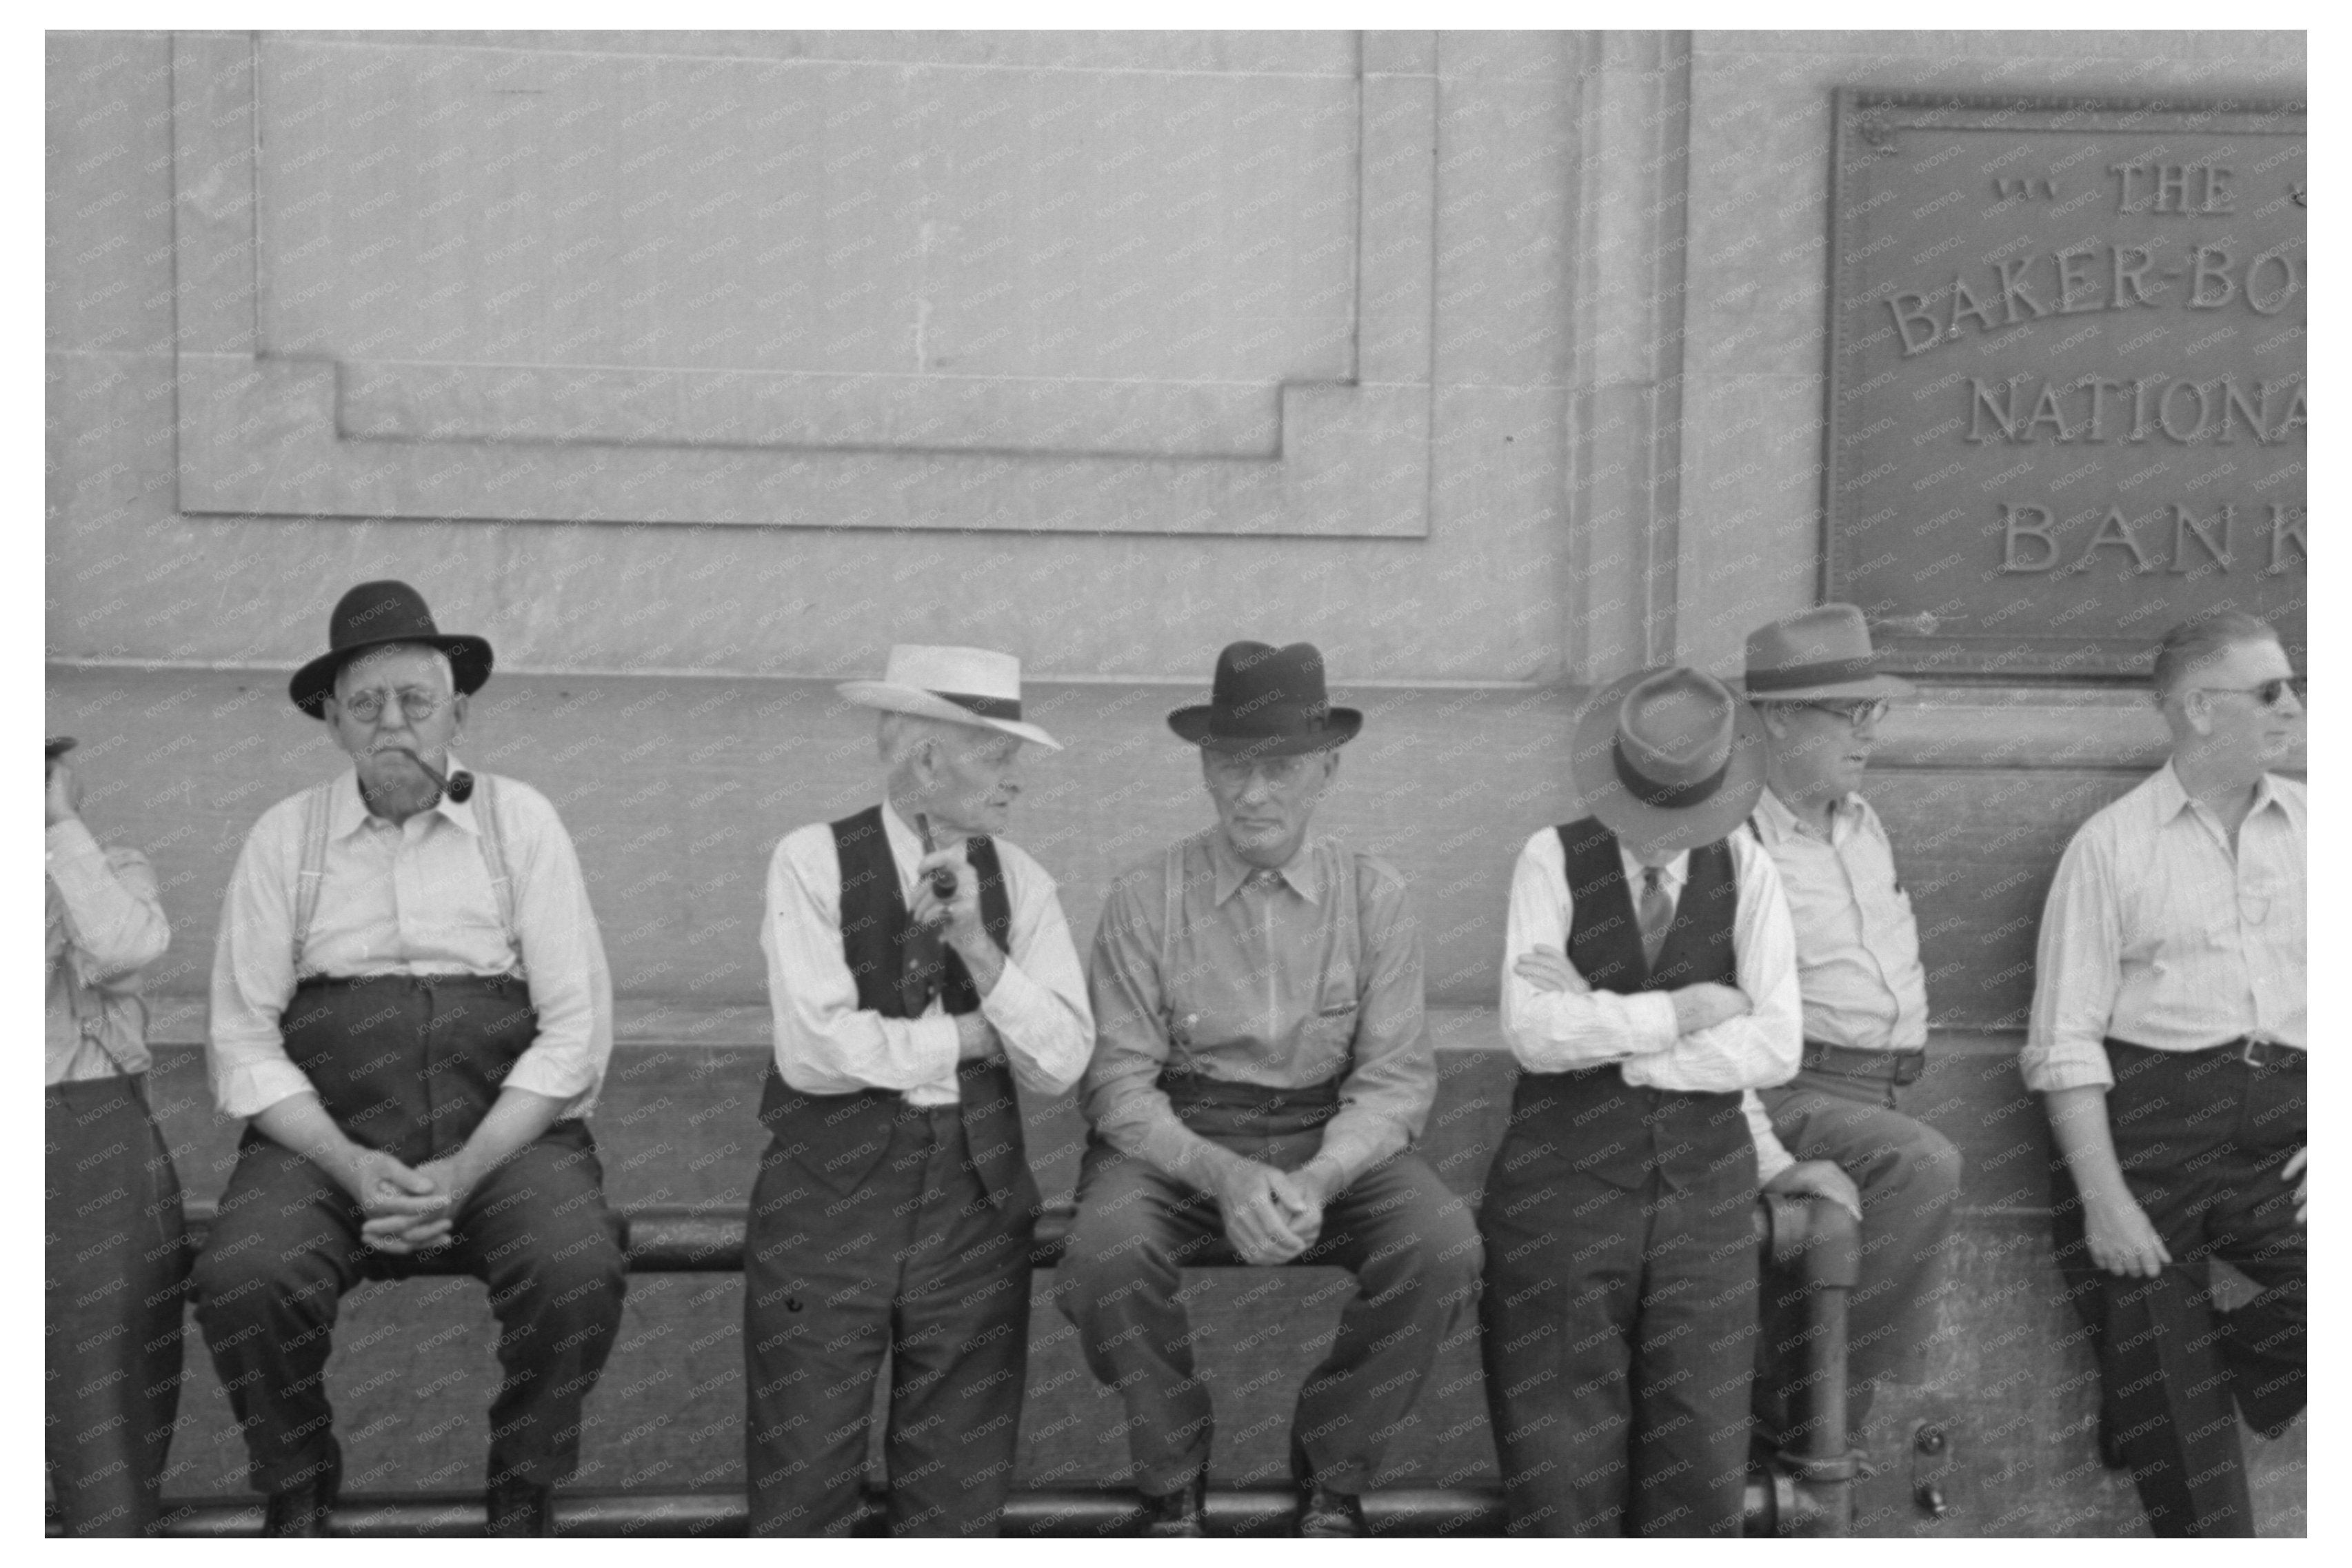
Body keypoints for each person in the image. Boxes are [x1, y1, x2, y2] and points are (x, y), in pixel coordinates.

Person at [192, 581, 625, 1538]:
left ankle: (524, 1483)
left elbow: (573, 1027)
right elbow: (242, 1036)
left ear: (457, 712)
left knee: (575, 1267)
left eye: (415, 700)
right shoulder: (285, 837)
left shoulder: (522, 822)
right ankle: (298, 1483)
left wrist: (466, 1169)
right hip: (326, 1134)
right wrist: (349, 1163)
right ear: (332, 722)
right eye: (366, 703)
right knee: (245, 1275)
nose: (392, 723)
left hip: (504, 1129)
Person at [1058, 640, 1482, 1538]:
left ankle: (1334, 1470)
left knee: (1441, 1245)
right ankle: (1172, 1477)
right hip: (1180, 1136)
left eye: (1280, 766)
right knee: (1103, 1252)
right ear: (1203, 768)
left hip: (1330, 1136)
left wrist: (1320, 1177)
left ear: (1326, 770)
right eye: (1231, 764)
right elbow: (1117, 1087)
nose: (1252, 793)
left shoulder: (1374, 897)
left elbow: (1395, 1084)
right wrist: (1223, 1175)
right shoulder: (1144, 896)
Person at [745, 645, 1091, 1537]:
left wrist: (978, 947)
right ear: (929, 760)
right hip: (828, 1203)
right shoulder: (811, 861)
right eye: (997, 754)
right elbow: (814, 1052)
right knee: (802, 1475)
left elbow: (1060, 1060)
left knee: (957, 1492)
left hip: (975, 1205)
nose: (1015, 779)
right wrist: (969, 1037)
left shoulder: (1022, 882)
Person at [1481, 665, 1805, 1537]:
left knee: (1699, 1455)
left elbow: (1776, 1044)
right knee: (1558, 1463)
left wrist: (1617, 1036)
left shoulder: (1749, 868)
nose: (1664, 840)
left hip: (1704, 1201)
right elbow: (1534, 1032)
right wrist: (1684, 1011)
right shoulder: (1550, 858)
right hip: (1561, 1195)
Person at [2026, 610, 2304, 1538]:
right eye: (2270, 690)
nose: (2293, 707)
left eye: (2293, 687)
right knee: (2203, 1502)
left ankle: (2165, 1374)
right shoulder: (2109, 846)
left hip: (2286, 1135)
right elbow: (2064, 1040)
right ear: (2198, 708)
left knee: (2175, 1384)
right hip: (2149, 1140)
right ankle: (2160, 1383)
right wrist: (2104, 1201)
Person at [1737, 605, 1961, 1451]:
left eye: (1876, 710)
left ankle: (1815, 1444)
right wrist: (1772, 1157)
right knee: (1922, 1165)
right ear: (1777, 718)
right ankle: (1798, 1423)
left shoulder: (1864, 824)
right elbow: (1717, 1028)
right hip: (1788, 1088)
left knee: (1870, 1229)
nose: (1869, 731)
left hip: (1883, 1090)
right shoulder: (1736, 843)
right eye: (1847, 711)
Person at [46, 734, 188, 1536]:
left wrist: (58, 827)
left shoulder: (109, 867)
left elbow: (123, 947)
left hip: (86, 1124)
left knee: (99, 1394)